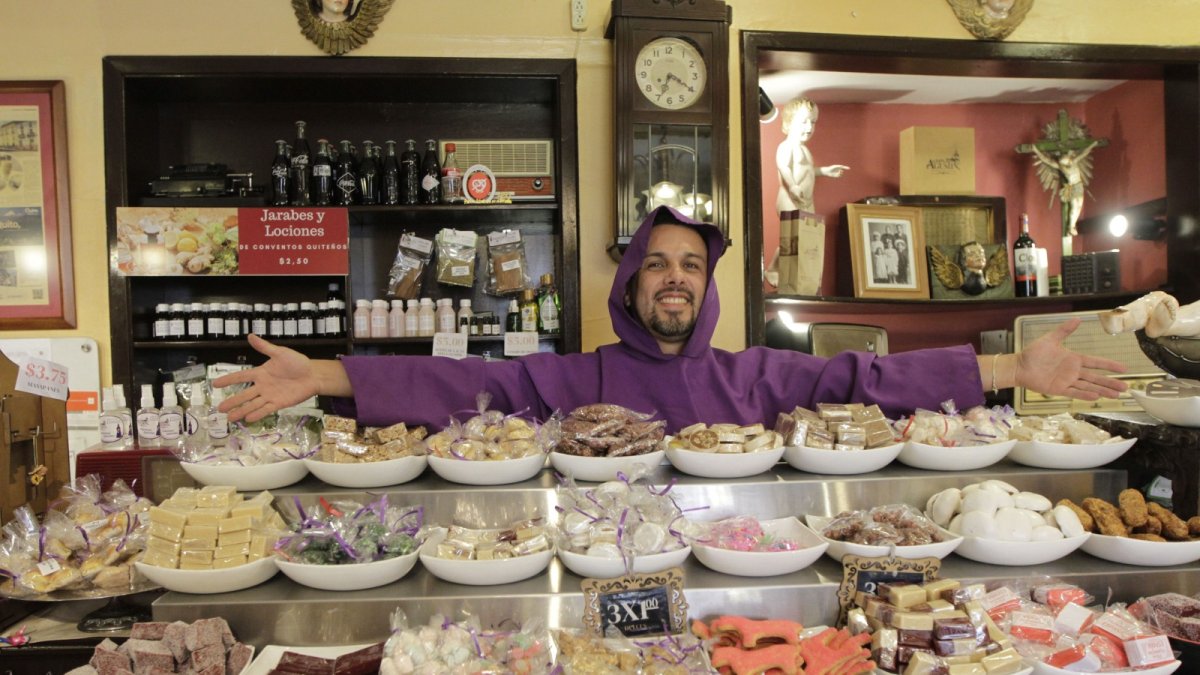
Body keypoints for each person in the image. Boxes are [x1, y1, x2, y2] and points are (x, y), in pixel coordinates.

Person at [215, 206, 1129, 433]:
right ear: (629, 282)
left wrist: (1009, 373)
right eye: (657, 263)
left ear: (710, 287)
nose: (674, 279)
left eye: (691, 265)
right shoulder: (574, 373)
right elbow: (470, 384)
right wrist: (326, 375)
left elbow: (868, 381)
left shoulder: (756, 374)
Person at [775, 98, 848, 214]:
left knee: (808, 231)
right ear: (789, 123)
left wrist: (824, 171)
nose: (809, 127)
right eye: (804, 121)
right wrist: (793, 186)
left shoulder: (804, 149)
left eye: (813, 122)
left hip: (807, 201)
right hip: (790, 200)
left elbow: (807, 171)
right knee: (793, 231)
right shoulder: (787, 146)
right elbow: (783, 167)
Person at [1031, 140, 1099, 237]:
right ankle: (1070, 227)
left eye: (1064, 162)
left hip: (1078, 186)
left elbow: (1084, 153)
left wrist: (1093, 144)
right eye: (1061, 163)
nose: (1063, 164)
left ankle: (1072, 226)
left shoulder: (1074, 162)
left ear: (1068, 159)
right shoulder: (1060, 166)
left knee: (1079, 207)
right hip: (1071, 187)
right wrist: (1036, 150)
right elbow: (1046, 160)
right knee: (1074, 207)